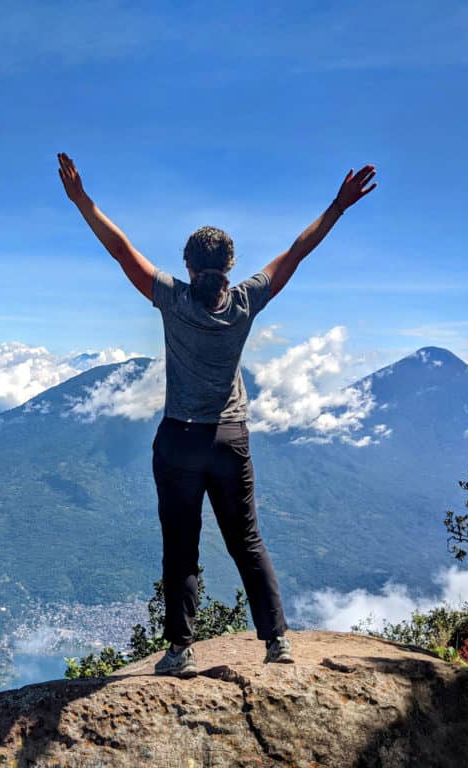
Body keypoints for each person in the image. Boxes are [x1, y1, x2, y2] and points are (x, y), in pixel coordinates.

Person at [57, 151, 377, 676]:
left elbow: (120, 250)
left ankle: (181, 650)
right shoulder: (247, 301)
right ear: (230, 266)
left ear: (188, 266)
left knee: (180, 547)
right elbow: (298, 250)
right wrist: (338, 206)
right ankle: (276, 642)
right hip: (230, 439)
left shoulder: (171, 298)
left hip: (179, 442)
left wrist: (81, 201)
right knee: (247, 541)